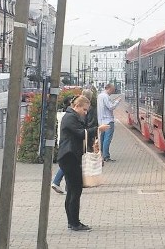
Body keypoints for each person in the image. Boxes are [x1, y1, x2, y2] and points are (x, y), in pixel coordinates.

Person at [57, 95, 109, 231]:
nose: (85, 112)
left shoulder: (72, 117)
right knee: (75, 189)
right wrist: (98, 129)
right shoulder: (70, 118)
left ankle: (72, 221)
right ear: (77, 106)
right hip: (69, 156)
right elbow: (81, 133)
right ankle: (74, 223)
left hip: (69, 156)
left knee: (72, 190)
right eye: (84, 110)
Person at [97, 83, 121, 162]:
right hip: (108, 120)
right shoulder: (106, 96)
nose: (113, 91)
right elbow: (111, 107)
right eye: (113, 90)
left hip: (101, 121)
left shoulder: (100, 96)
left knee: (102, 138)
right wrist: (117, 101)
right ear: (109, 88)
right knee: (107, 139)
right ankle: (106, 156)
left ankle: (102, 154)